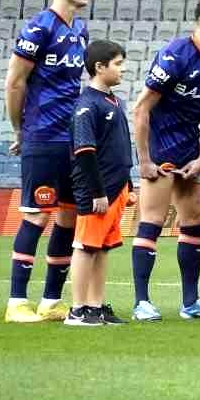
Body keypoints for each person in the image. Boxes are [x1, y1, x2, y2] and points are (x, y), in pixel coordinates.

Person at [131, 0, 200, 321]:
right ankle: (141, 303)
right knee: (151, 222)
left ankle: (191, 303)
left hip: (191, 151)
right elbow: (142, 108)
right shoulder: (174, 56)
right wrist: (145, 159)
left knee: (194, 225)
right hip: (161, 149)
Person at [3, 0, 92, 324]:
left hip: (71, 139)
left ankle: (50, 301)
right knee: (37, 217)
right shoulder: (39, 28)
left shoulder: (80, 30)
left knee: (69, 219)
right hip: (43, 136)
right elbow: (15, 82)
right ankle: (16, 303)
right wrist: (19, 130)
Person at [65, 38, 130, 326]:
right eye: (118, 64)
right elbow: (85, 152)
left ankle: (96, 305)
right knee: (86, 246)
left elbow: (118, 147)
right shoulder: (87, 105)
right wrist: (97, 191)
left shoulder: (114, 101)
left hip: (116, 187)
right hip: (98, 190)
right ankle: (77, 309)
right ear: (99, 67)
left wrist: (127, 184)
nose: (123, 69)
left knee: (103, 247)